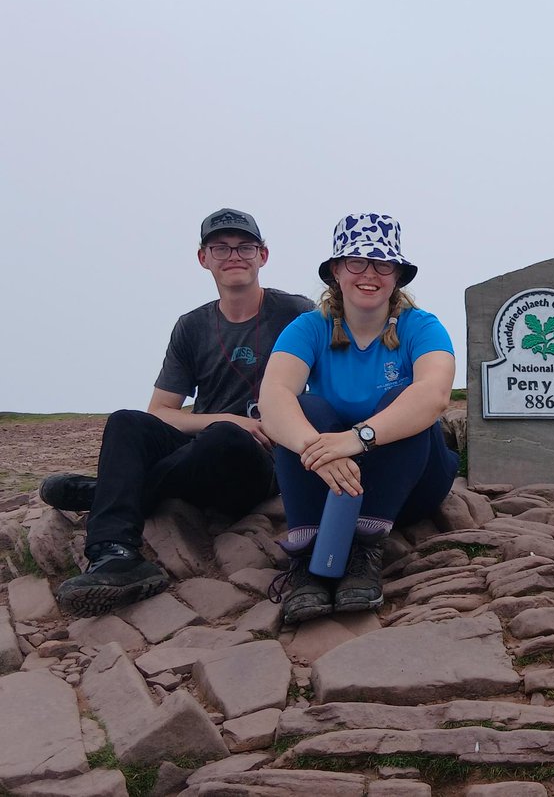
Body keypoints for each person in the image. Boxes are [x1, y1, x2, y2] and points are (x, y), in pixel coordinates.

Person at [47, 209, 314, 616]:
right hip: (198, 451)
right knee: (126, 421)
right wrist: (226, 418)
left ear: (263, 255)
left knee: (226, 439)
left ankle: (109, 493)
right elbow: (162, 411)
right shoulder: (191, 326)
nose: (233, 256)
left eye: (244, 247)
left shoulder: (296, 312)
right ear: (203, 258)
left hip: (260, 461)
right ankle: (113, 553)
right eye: (220, 247)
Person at [259, 212, 457, 625]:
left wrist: (358, 438)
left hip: (411, 482)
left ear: (397, 275)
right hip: (334, 476)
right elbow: (274, 396)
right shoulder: (308, 328)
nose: (370, 274)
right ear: (336, 271)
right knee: (307, 409)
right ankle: (309, 556)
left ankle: (364, 550)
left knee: (403, 399)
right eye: (357, 262)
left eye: (383, 264)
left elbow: (434, 395)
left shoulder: (422, 327)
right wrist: (320, 452)